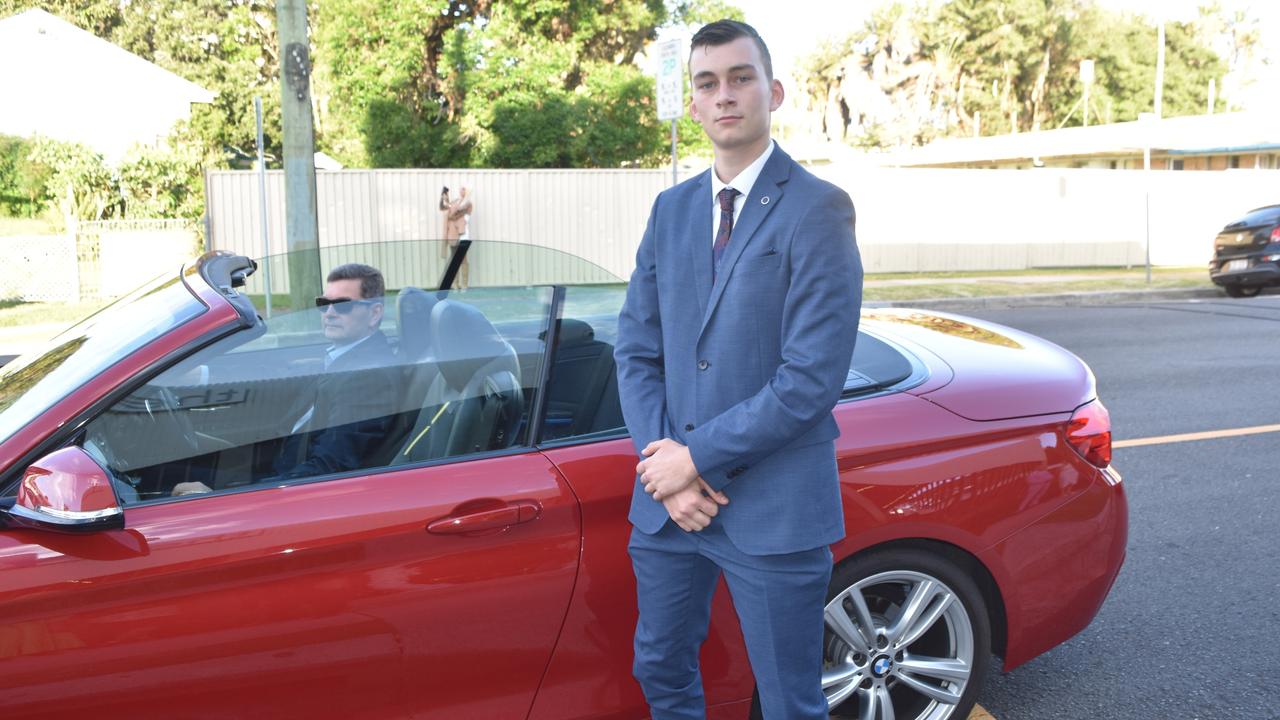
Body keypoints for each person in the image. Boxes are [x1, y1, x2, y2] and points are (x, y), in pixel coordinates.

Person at [613, 19, 863, 720]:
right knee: (659, 667)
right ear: (692, 104)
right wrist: (664, 468)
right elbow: (636, 349)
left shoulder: (818, 210)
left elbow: (810, 380)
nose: (725, 95)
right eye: (707, 83)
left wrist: (695, 461)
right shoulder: (669, 211)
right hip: (668, 510)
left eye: (740, 77)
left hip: (774, 507)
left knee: (789, 702)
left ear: (773, 91)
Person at [171, 263, 397, 495]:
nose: (330, 312)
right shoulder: (342, 357)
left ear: (375, 313)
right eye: (323, 304)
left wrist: (221, 497)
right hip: (281, 471)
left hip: (291, 491)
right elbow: (278, 375)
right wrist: (202, 375)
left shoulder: (368, 377)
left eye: (343, 306)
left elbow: (328, 468)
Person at [441, 185, 474, 290]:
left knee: (463, 258)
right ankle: (455, 284)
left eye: (464, 188)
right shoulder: (455, 202)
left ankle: (464, 284)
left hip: (464, 234)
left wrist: (451, 208)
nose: (461, 190)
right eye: (460, 189)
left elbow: (458, 211)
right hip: (454, 234)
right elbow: (446, 210)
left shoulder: (468, 203)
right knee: (454, 258)